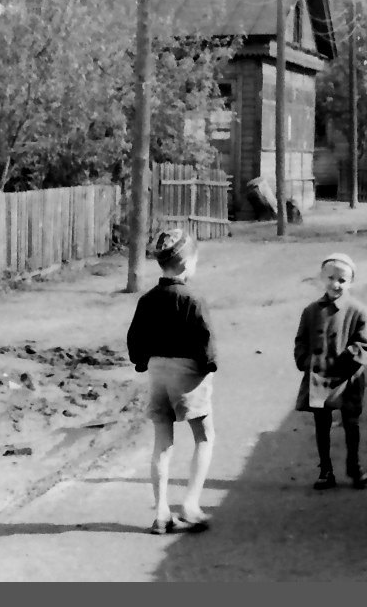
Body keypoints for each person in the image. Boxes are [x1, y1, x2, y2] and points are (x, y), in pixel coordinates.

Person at [125, 228, 217, 534]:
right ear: (188, 262)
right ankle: (190, 503)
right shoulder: (193, 299)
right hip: (187, 373)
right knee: (204, 437)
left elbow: (135, 338)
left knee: (162, 441)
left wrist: (142, 361)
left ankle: (162, 511)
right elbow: (205, 339)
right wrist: (209, 365)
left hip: (157, 372)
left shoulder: (148, 299)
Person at [293, 252, 367, 490]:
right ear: (321, 277)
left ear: (351, 282)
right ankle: (325, 470)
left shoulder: (358, 311)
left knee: (351, 422)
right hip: (319, 376)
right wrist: (307, 361)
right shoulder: (311, 311)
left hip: (348, 377)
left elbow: (365, 345)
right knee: (322, 422)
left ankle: (354, 467)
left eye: (342, 280)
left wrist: (346, 360)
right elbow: (301, 340)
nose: (336, 284)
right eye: (331, 278)